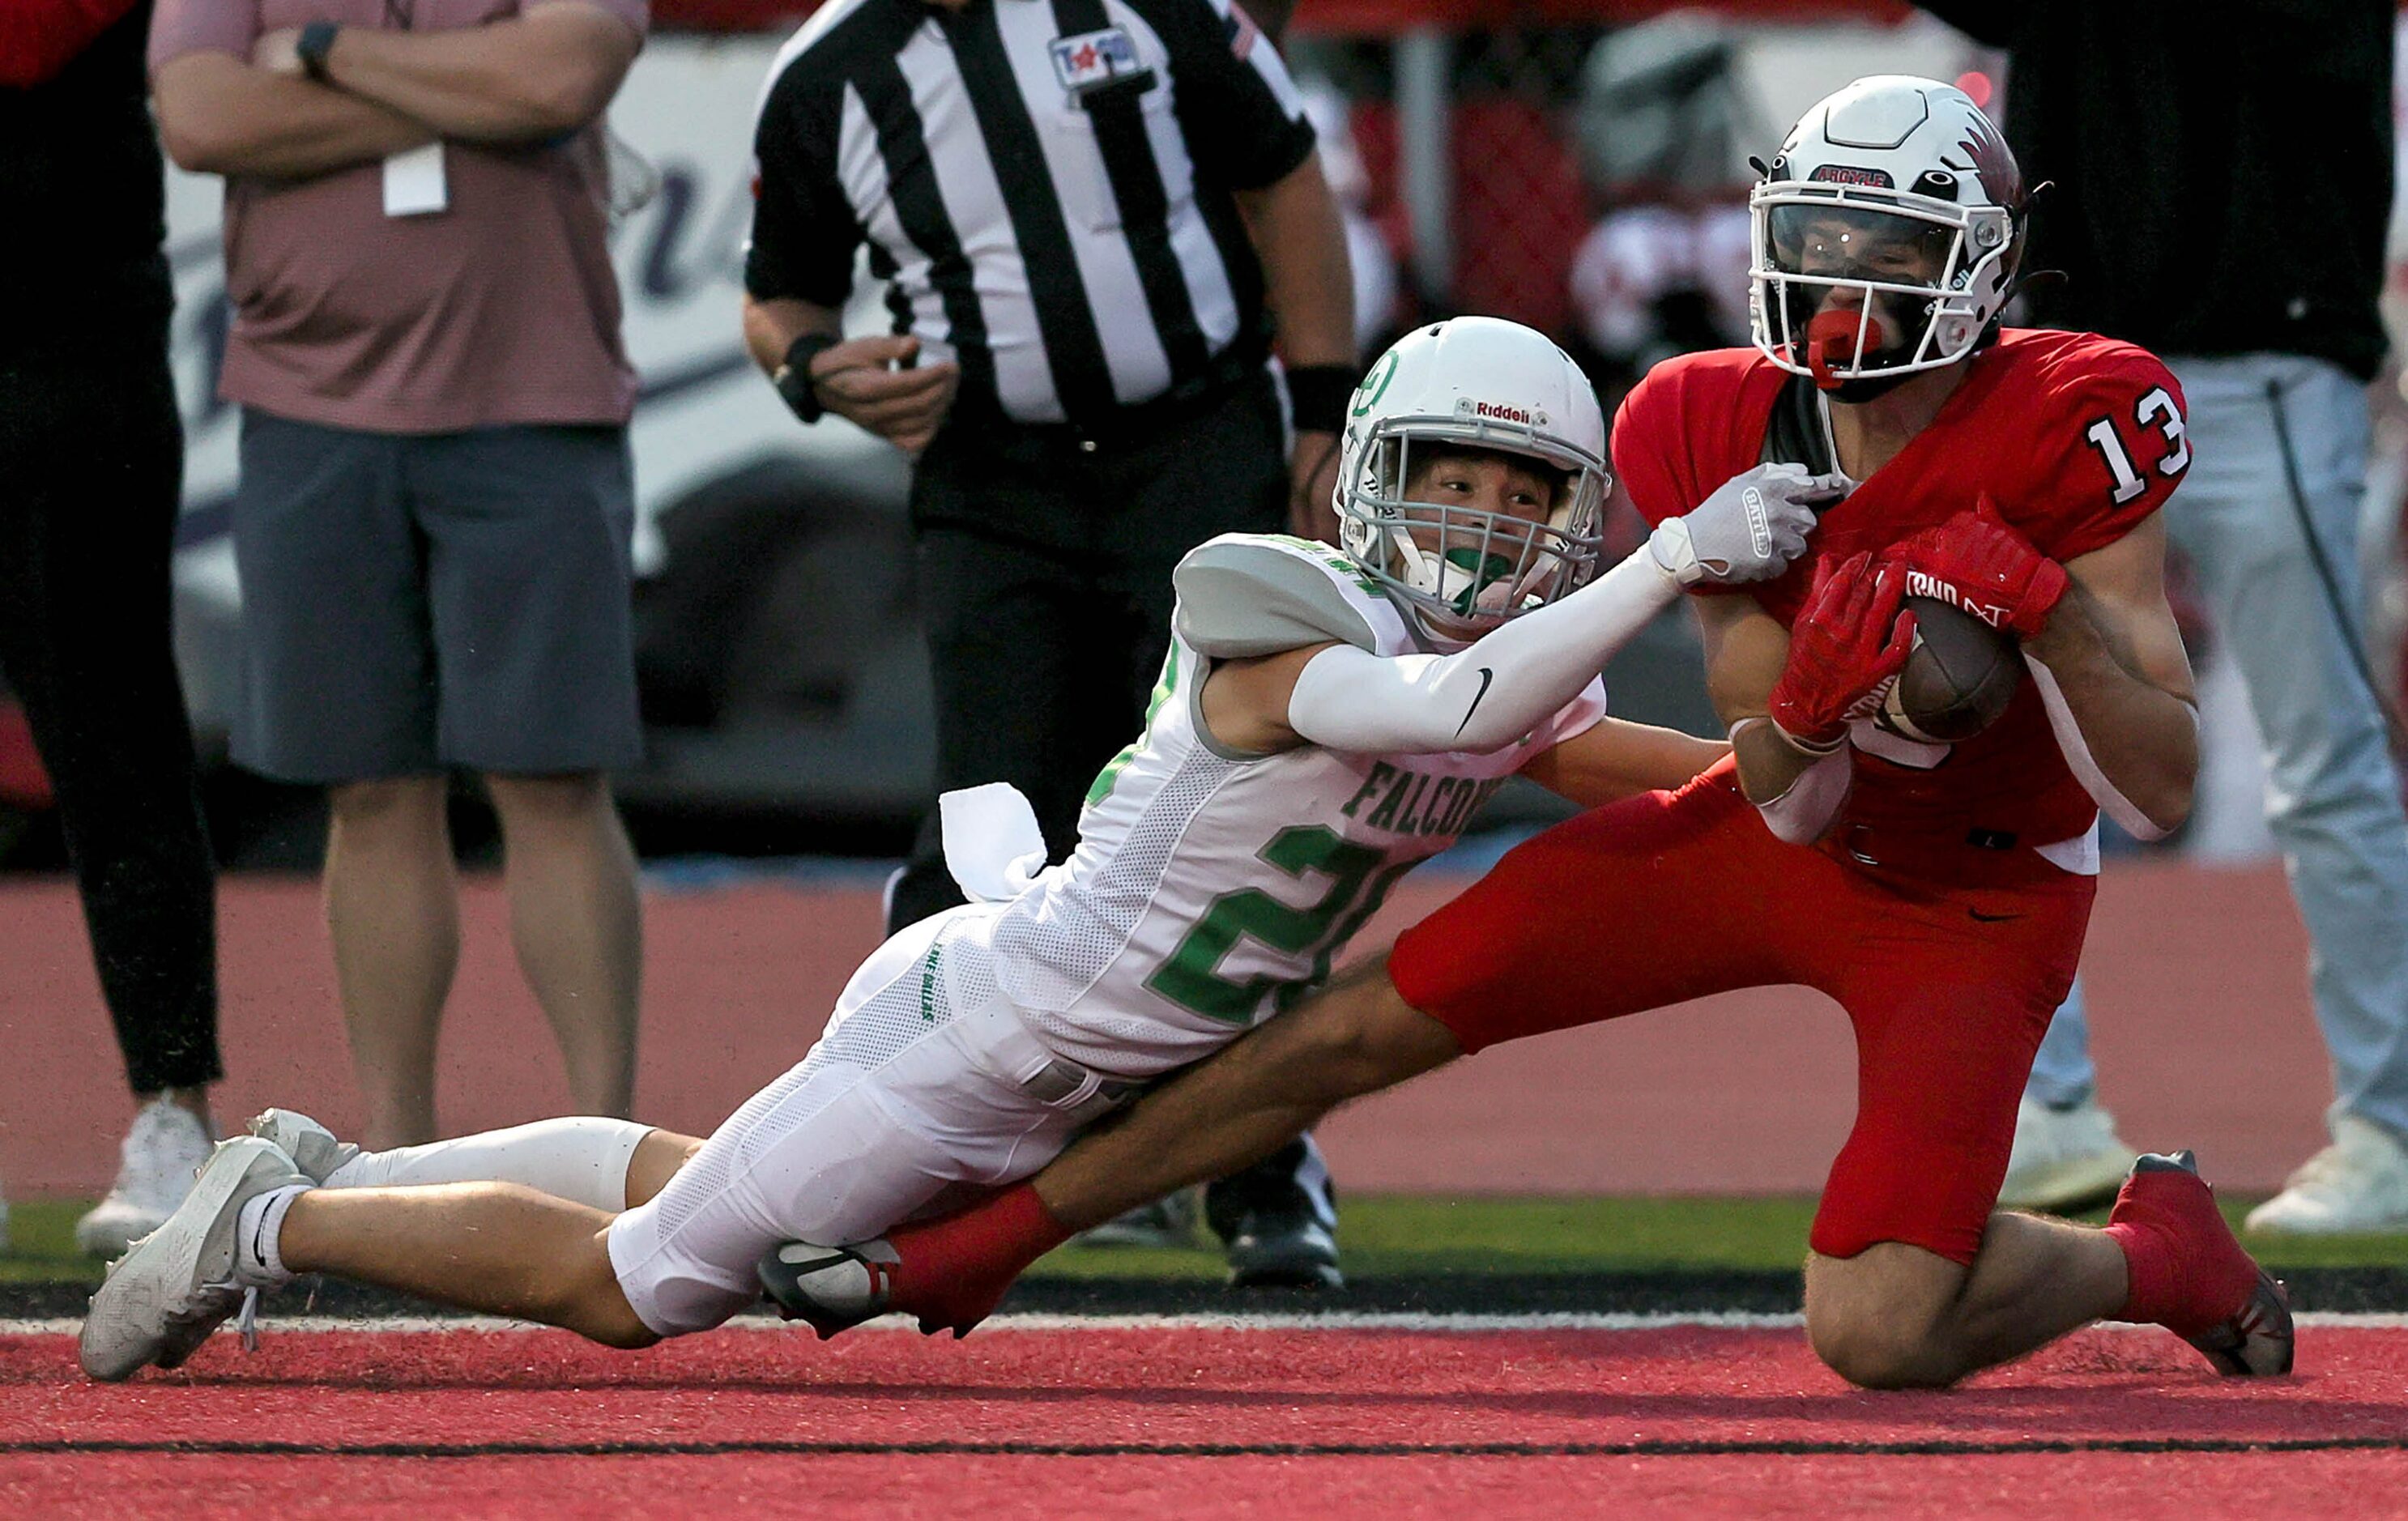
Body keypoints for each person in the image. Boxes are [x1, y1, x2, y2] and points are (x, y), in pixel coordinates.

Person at [755, 79, 2295, 1391]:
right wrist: (1822, 697)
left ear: (1981, 265)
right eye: (1815, 244)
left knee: (1879, 1328)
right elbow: (1781, 787)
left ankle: (2146, 1254)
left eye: (1887, 253)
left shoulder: (2081, 408)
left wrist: (2037, 607)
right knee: (1364, 1020)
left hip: (1980, 887)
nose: (1842, 291)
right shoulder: (1701, 413)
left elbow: (2154, 781)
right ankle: (972, 1251)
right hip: (1780, 827)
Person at [76, 317, 1820, 1379]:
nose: (1481, 521)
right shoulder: (1276, 604)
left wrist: (1836, 756)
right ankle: (276, 1225)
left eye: (1523, 500)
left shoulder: (1490, 674)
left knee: (709, 1183)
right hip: (985, 1032)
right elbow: (1443, 722)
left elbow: (1682, 775)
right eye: (1452, 476)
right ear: (1364, 476)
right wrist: (1669, 563)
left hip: (1031, 1042)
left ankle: (353, 1172)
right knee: (642, 1293)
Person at [740, 0, 1362, 1285]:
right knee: (990, 823)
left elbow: (1282, 178)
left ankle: (1259, 1161)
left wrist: (1316, 407)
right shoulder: (828, 75)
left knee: (1239, 805)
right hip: (991, 482)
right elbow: (778, 295)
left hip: (1194, 445)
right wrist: (818, 367)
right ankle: (906, 1161)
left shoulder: (1151, 9)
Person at [1924, 2, 2408, 1232]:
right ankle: (2037, 1112)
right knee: (1995, 738)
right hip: (2070, 352)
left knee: (2325, 760)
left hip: (2266, 354)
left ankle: (2391, 1128)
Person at [147, 0, 650, 1148]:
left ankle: (602, 1151)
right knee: (368, 790)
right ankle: (396, 1160)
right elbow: (203, 117)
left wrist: (331, 60)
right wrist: (462, 92)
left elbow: (556, 84)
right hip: (305, 407)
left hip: (536, 394)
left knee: (555, 780)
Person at [2, 0, 225, 1255]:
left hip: (75, 346)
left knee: (114, 737)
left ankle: (172, 1105)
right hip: (74, 342)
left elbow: (35, 37)